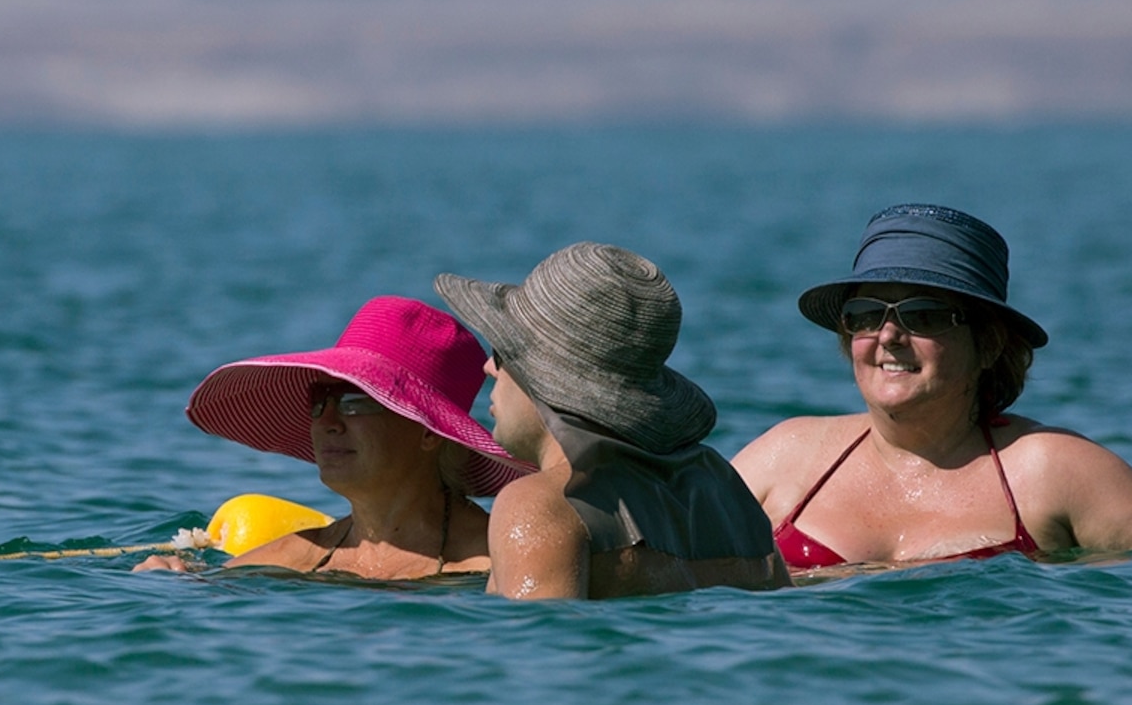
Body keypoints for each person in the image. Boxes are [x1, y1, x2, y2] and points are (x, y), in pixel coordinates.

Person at [732, 204, 1132, 569]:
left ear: (987, 346)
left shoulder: (1052, 468)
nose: (888, 336)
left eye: (923, 315)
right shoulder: (787, 454)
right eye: (866, 316)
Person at [434, 244, 786, 600]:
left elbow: (534, 647)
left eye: (501, 352)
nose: (489, 368)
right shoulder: (726, 492)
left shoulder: (538, 507)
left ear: (540, 377)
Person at [158, 296, 531, 579]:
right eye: (319, 401)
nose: (328, 422)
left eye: (355, 402)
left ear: (428, 432)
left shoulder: (508, 561)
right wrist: (167, 579)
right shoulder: (290, 561)